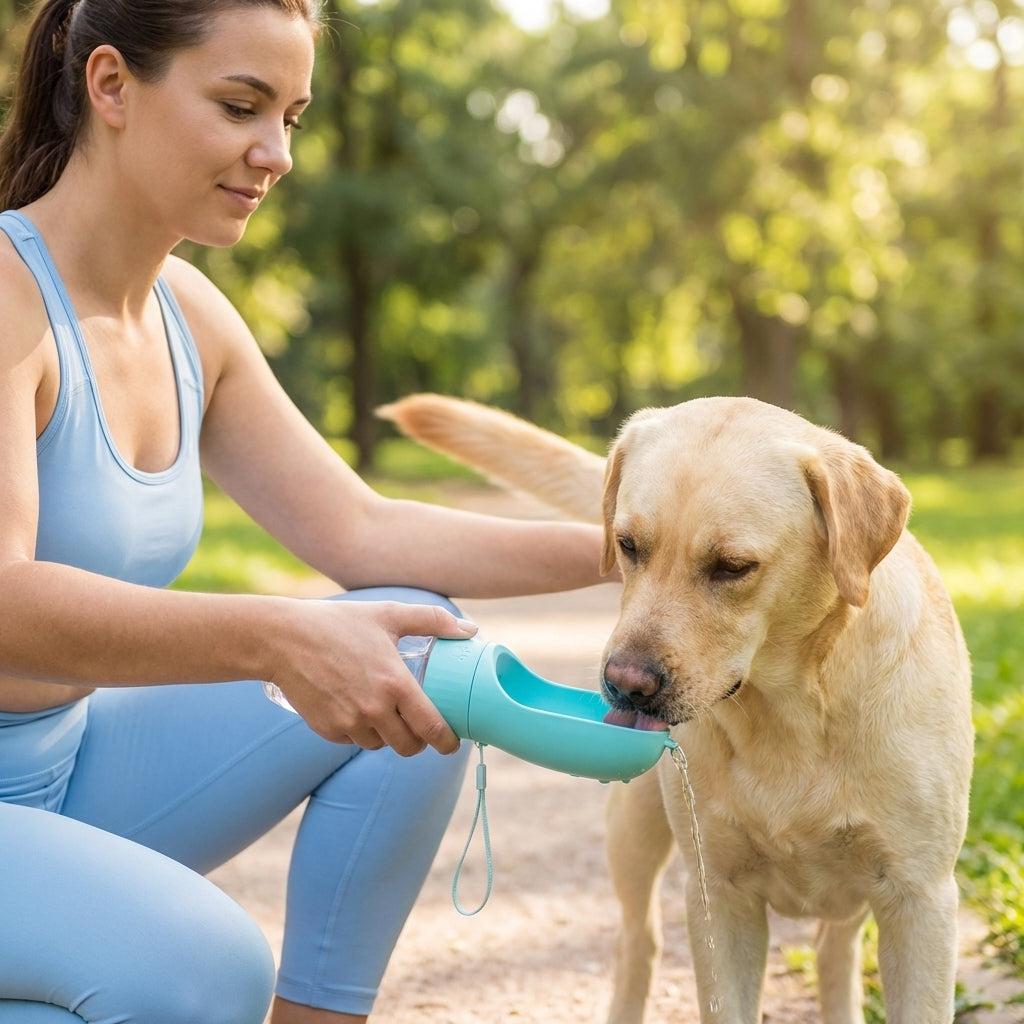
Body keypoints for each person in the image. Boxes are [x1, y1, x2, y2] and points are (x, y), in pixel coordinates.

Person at [0, 0, 612, 1021]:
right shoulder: (8, 299)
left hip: (66, 773)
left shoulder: (189, 316)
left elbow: (363, 533)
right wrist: (279, 635)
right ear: (110, 86)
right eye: (241, 105)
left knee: (420, 671)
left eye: (292, 115)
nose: (274, 152)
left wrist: (636, 551)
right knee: (202, 970)